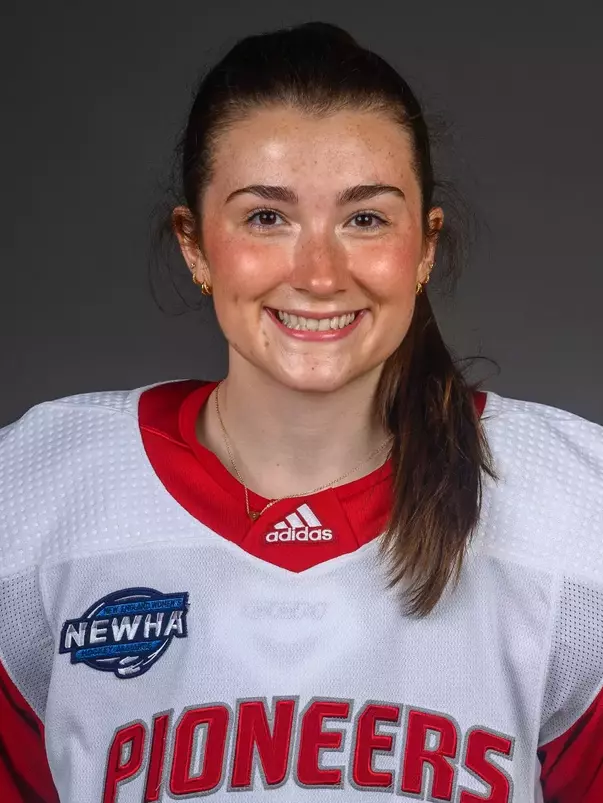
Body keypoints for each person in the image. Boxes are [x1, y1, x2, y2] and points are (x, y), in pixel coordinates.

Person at [0, 20, 601, 803]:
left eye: (364, 218)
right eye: (265, 217)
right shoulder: (37, 491)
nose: (319, 273)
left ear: (422, 248)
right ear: (194, 244)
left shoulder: (572, 509)